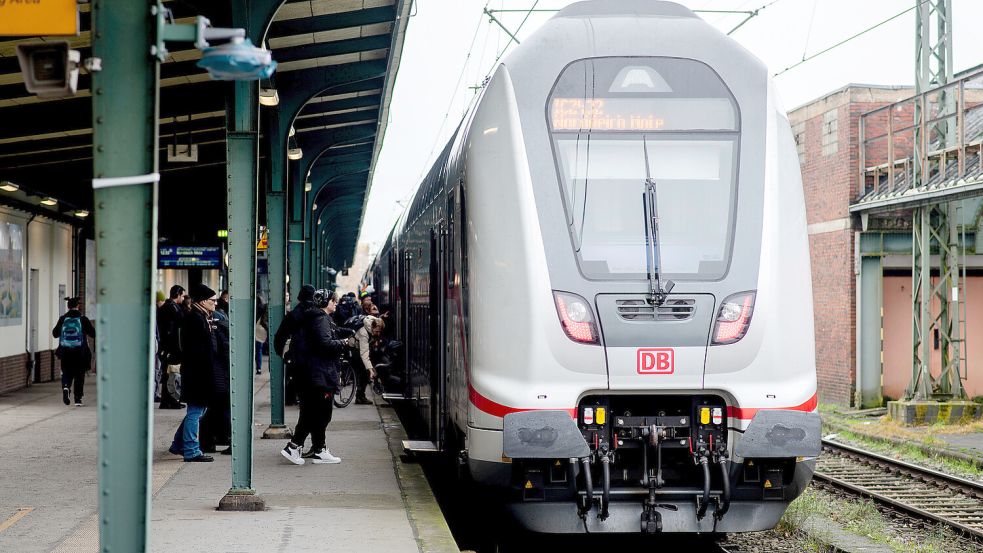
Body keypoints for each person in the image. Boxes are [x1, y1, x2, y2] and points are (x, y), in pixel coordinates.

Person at [280, 289, 353, 465]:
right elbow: (325, 343)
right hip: (319, 373)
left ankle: (319, 449)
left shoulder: (315, 317)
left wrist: (348, 332)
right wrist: (344, 343)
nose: (336, 304)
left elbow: (330, 334)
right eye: (333, 301)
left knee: (314, 412)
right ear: (326, 302)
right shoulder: (321, 319)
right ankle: (295, 446)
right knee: (318, 413)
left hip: (311, 373)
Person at [169, 283, 220, 462]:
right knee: (196, 412)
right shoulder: (196, 319)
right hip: (197, 373)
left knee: (198, 410)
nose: (215, 303)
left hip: (197, 372)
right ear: (203, 301)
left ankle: (178, 444)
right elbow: (199, 351)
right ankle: (191, 450)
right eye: (213, 300)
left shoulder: (199, 316)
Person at [274, 284, 316, 405]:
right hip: (312, 354)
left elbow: (280, 334)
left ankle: (291, 398)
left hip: (296, 353)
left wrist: (281, 352)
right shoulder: (317, 313)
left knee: (293, 377)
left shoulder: (293, 314)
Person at [53, 297, 96, 406]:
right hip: (80, 352)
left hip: (65, 351)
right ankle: (78, 399)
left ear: (68, 307)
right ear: (78, 306)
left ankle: (66, 387)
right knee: (79, 374)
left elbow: (55, 334)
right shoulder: (83, 319)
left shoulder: (63, 319)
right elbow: (93, 333)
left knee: (66, 371)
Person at [157, 285, 186, 409]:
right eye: (182, 296)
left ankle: (167, 400)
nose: (183, 298)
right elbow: (173, 330)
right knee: (171, 373)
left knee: (168, 373)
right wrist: (177, 348)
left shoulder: (167, 307)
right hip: (171, 347)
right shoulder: (172, 308)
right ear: (178, 295)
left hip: (166, 347)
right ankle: (171, 400)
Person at [354, 315, 384, 405]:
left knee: (366, 371)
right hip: (355, 348)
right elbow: (364, 355)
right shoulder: (364, 333)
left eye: (379, 332)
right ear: (372, 327)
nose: (378, 333)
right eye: (376, 331)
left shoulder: (374, 322)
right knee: (364, 371)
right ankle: (359, 397)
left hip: (364, 347)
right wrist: (370, 370)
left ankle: (361, 396)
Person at [255, 298, 269, 375]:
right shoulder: (267, 306)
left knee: (258, 350)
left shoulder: (259, 308)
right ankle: (259, 368)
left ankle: (258, 368)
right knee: (259, 350)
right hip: (262, 330)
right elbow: (264, 321)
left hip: (258, 329)